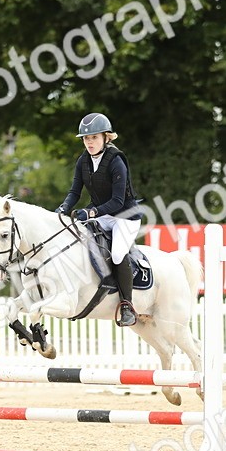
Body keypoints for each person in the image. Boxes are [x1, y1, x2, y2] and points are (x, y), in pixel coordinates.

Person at [55, 112, 142, 327]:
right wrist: (63, 208)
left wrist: (91, 213)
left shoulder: (116, 161)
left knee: (118, 253)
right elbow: (75, 192)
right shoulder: (83, 161)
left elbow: (117, 200)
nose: (89, 142)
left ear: (106, 137)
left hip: (125, 216)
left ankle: (126, 305)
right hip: (104, 214)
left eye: (93, 137)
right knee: (78, 237)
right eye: (86, 138)